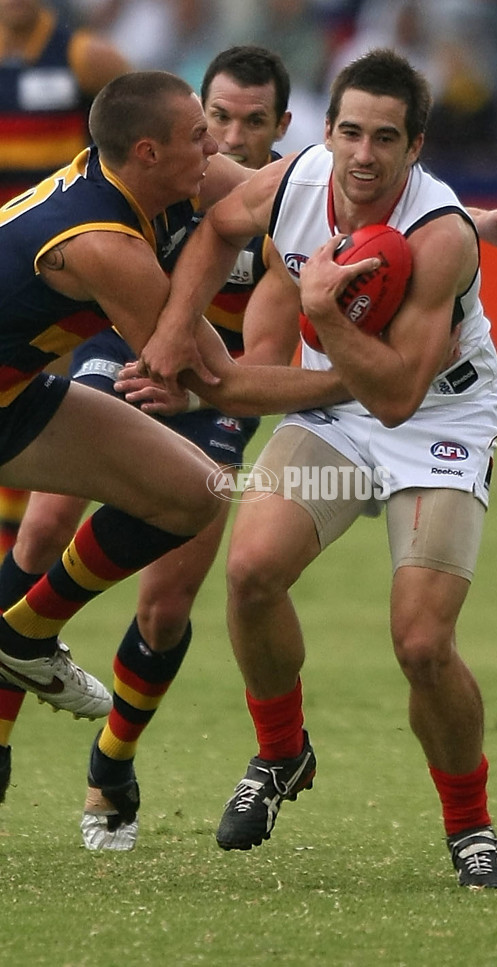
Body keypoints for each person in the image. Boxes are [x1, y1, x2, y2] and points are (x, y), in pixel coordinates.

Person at [138, 49, 497, 888]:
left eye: (387, 138)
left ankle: (470, 825)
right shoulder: (296, 181)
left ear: (416, 148)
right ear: (327, 132)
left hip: (439, 419)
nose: (364, 155)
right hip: (337, 414)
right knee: (253, 569)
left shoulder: (440, 237)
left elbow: (400, 395)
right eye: (352, 133)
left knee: (422, 642)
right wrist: (176, 330)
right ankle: (280, 753)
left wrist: (324, 310)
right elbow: (221, 228)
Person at [0, 68, 361, 808]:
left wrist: (459, 220)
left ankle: (20, 636)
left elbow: (298, 181)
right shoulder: (105, 245)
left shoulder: (162, 178)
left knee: (196, 492)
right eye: (202, 132)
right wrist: (369, 384)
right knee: (45, 529)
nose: (222, 145)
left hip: (17, 398)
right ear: (147, 153)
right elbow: (223, 381)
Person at [0, 0, 131, 556]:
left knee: (31, 400)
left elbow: (149, 124)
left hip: (58, 264)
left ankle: (20, 549)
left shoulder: (85, 57)